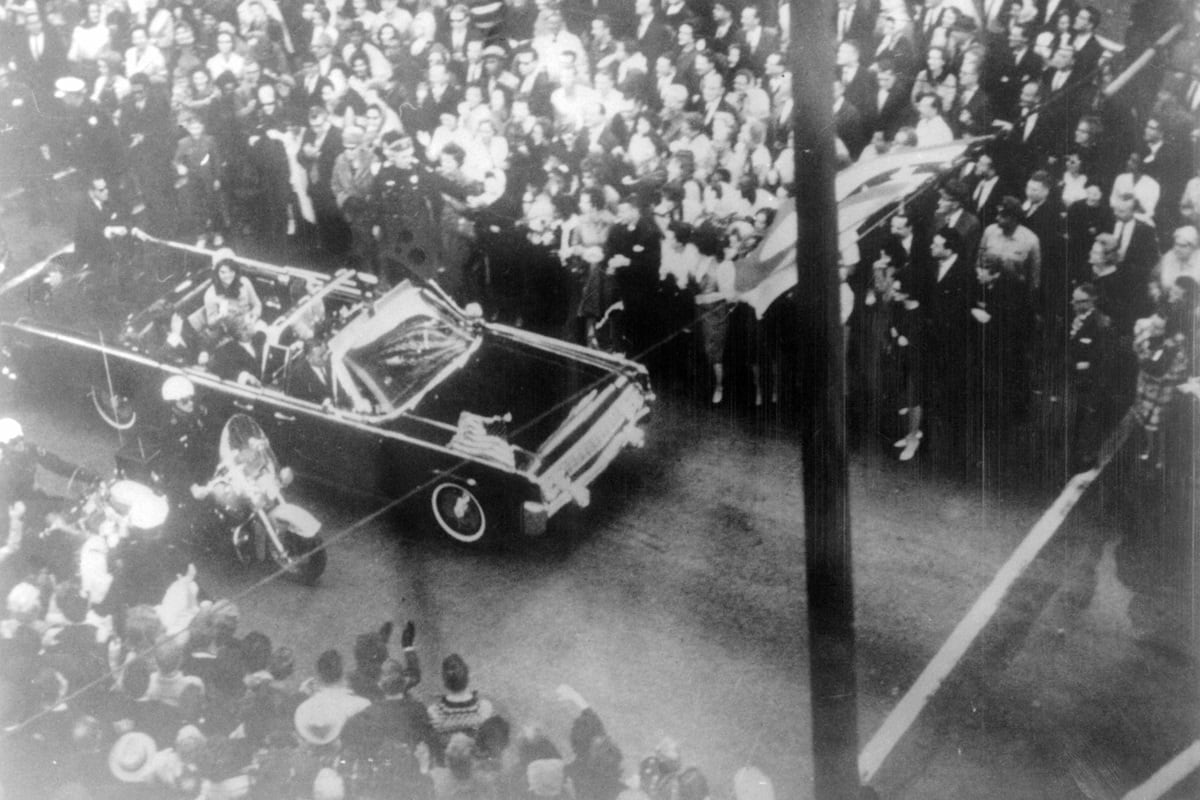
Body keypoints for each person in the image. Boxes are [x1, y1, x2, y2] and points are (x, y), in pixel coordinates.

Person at [200, 250, 263, 343]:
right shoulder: (210, 294)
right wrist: (220, 317)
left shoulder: (245, 282)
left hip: (252, 324)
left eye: (231, 271)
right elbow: (211, 324)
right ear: (216, 273)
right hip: (231, 336)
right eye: (223, 272)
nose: (228, 276)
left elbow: (257, 305)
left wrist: (253, 318)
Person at [283, 338, 333, 405]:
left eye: (325, 353)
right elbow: (302, 401)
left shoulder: (328, 368)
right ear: (308, 357)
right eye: (320, 356)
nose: (325, 358)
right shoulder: (300, 374)